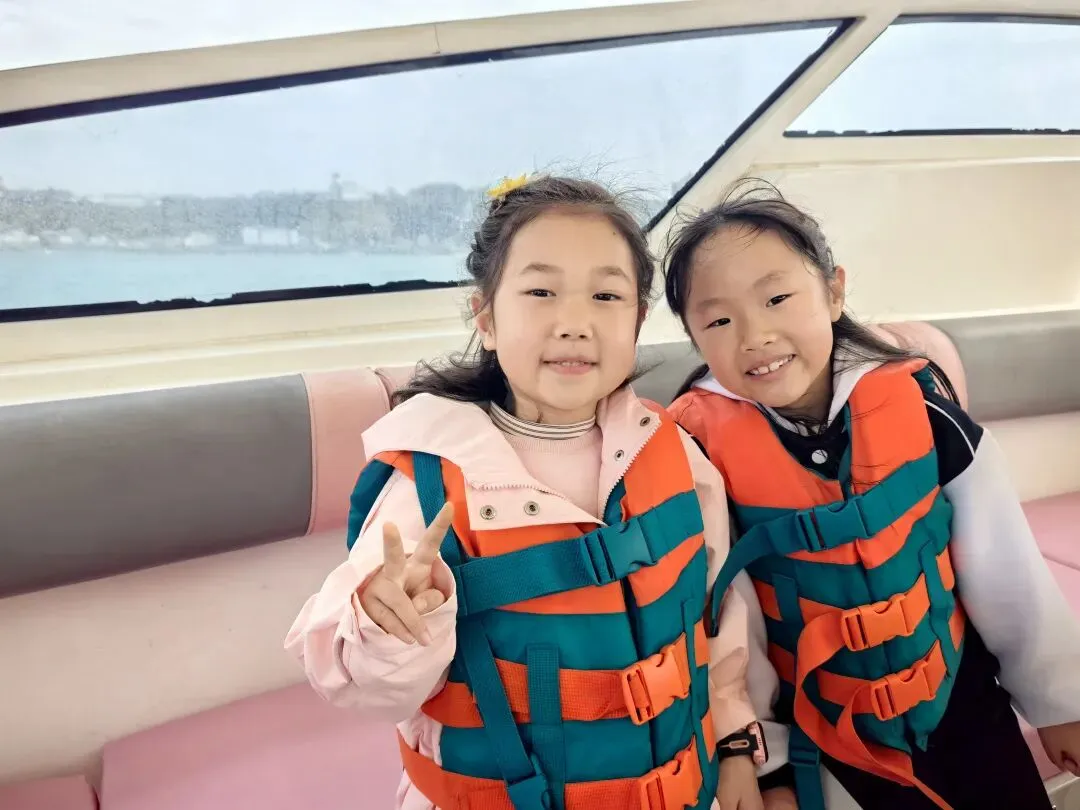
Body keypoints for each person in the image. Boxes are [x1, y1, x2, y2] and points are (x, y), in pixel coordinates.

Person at [286, 174, 769, 810]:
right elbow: (365, 689)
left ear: (637, 321)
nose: (574, 323)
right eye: (541, 292)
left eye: (606, 295)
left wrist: (735, 746)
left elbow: (716, 617)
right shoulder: (429, 487)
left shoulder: (674, 454)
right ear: (486, 319)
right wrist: (386, 626)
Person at [662, 179, 1080, 810]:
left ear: (833, 291)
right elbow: (724, 623)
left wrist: (1058, 700)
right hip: (826, 739)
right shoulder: (699, 454)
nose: (753, 335)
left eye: (777, 298)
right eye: (718, 320)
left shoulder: (924, 409)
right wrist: (763, 762)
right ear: (696, 339)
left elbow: (1006, 566)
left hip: (961, 699)